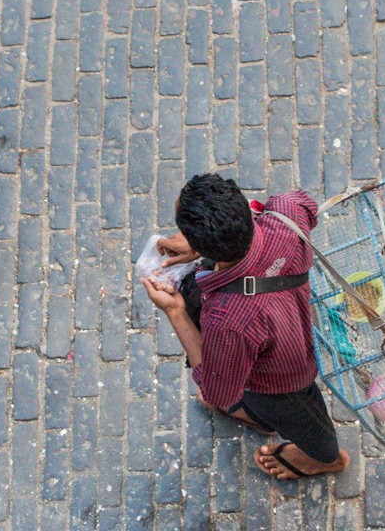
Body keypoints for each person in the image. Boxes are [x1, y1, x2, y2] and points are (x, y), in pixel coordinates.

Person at [139, 173, 350, 480]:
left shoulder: (228, 322)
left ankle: (325, 460)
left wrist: (175, 312)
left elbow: (218, 391)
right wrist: (204, 244)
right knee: (254, 401)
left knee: (302, 420)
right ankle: (259, 417)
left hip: (284, 378)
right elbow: (305, 203)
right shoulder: (285, 215)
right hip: (288, 318)